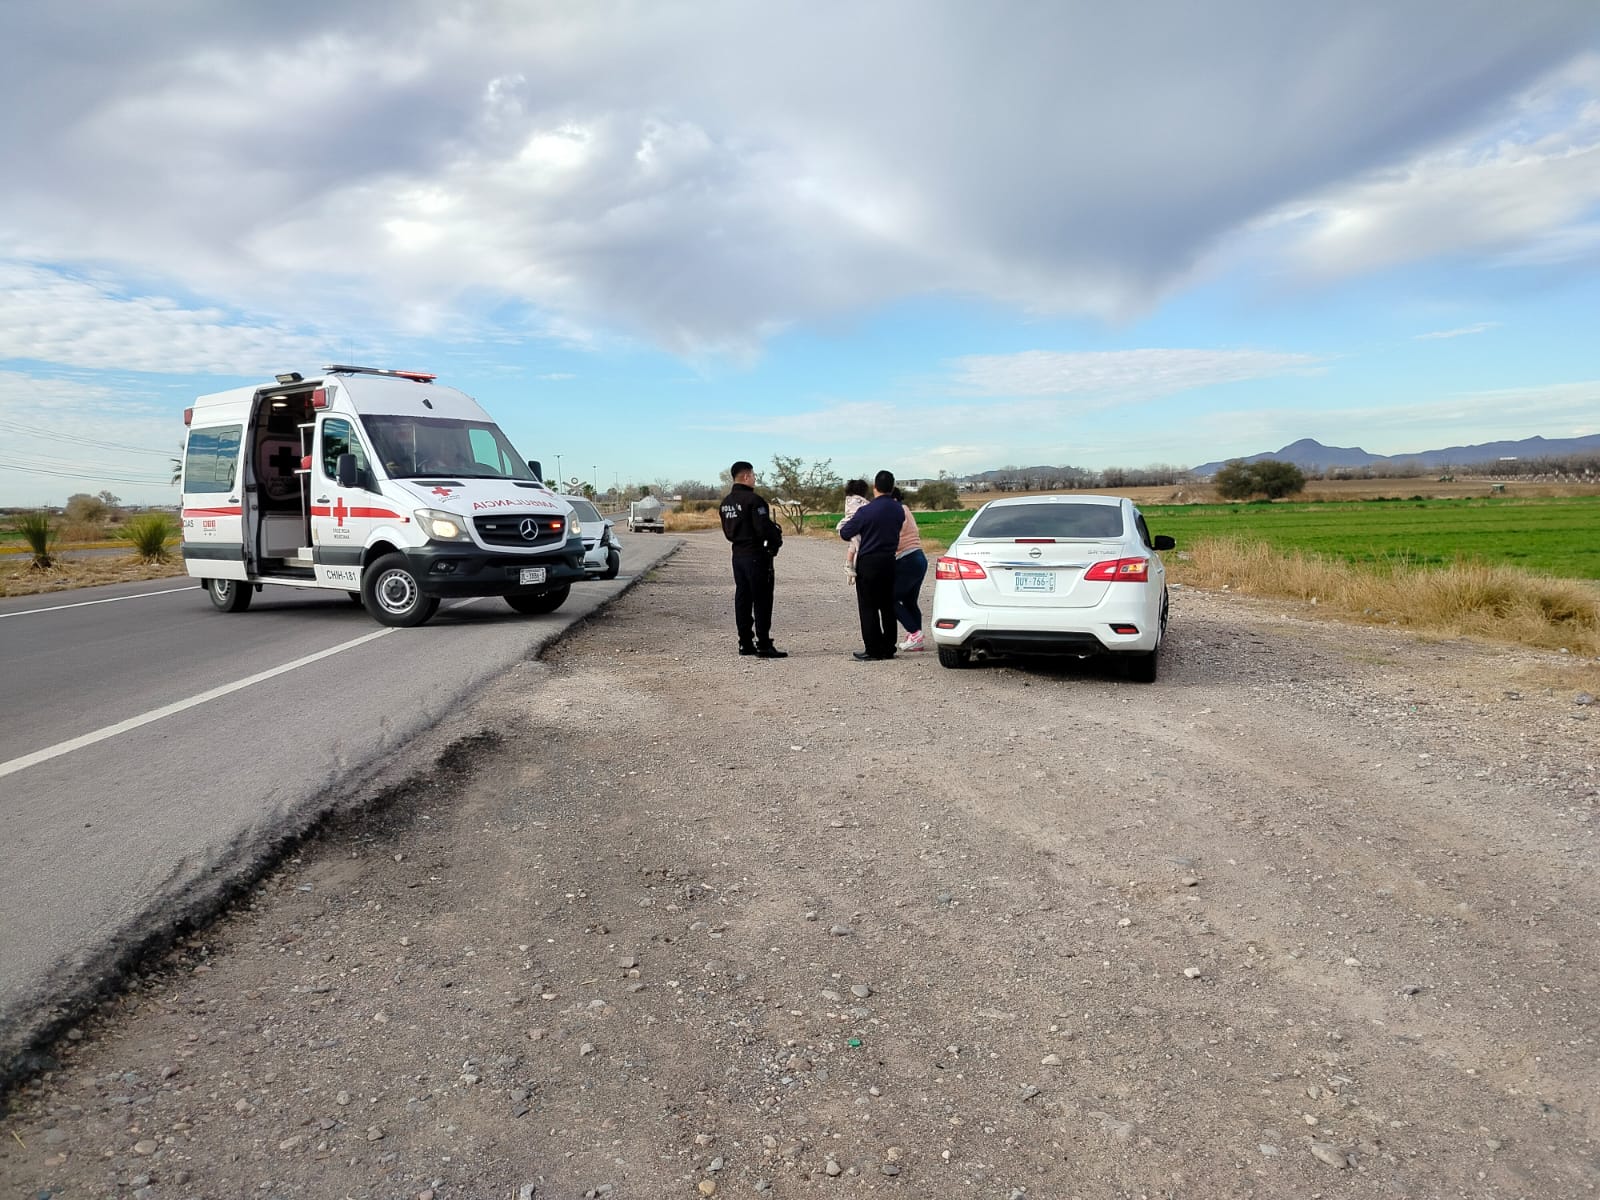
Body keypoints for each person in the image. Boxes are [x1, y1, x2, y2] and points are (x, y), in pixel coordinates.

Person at [719, 461, 787, 658]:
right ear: (746, 477)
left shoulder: (726, 503)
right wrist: (776, 540)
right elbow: (763, 528)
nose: (755, 478)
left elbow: (727, 531)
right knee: (762, 599)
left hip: (737, 556)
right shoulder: (754, 501)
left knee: (743, 597)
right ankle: (764, 644)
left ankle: (745, 643)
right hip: (756, 555)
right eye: (754, 475)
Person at [836, 469, 904, 660]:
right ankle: (889, 647)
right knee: (887, 606)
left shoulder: (866, 511)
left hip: (869, 561)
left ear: (875, 487)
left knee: (868, 606)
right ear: (891, 487)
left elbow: (845, 532)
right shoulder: (898, 509)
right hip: (890, 560)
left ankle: (873, 649)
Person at [891, 488, 929, 651]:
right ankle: (916, 638)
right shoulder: (905, 509)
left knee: (889, 598)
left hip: (907, 559)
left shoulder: (897, 512)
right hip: (919, 557)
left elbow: (894, 537)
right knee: (910, 601)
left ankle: (914, 633)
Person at [842, 478, 870, 583]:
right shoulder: (858, 500)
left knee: (853, 546)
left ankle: (849, 564)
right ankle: (853, 567)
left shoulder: (849, 499)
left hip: (850, 525)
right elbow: (865, 509)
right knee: (858, 546)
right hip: (855, 525)